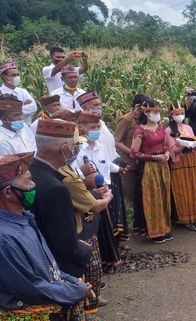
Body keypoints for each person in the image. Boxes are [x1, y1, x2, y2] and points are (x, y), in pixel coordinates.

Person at [0, 151, 92, 320]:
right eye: (28, 182)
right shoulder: (4, 237)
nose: (34, 185)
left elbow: (47, 266)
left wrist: (71, 280)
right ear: (8, 193)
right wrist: (76, 290)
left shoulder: (25, 218)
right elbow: (31, 288)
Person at [29, 118, 92, 278]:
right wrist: (85, 250)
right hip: (58, 268)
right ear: (64, 149)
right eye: (73, 146)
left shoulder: (29, 172)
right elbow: (66, 244)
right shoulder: (55, 189)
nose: (74, 151)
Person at [74, 111, 123, 274]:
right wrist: (85, 174)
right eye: (92, 127)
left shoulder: (101, 147)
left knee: (107, 226)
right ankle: (99, 263)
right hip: (88, 194)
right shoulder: (79, 150)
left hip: (104, 191)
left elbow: (106, 166)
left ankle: (109, 260)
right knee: (95, 229)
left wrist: (108, 187)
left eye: (98, 127)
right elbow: (74, 175)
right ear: (82, 128)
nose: (96, 130)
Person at [130, 100, 173, 244]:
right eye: (155, 112)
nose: (158, 114)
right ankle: (154, 231)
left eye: (158, 112)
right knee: (152, 198)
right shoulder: (140, 131)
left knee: (163, 196)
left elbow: (165, 144)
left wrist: (166, 153)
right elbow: (134, 153)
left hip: (162, 166)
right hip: (149, 168)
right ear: (147, 113)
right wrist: (154, 157)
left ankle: (164, 228)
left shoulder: (160, 127)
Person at [166, 103, 196, 231]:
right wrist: (185, 145)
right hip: (180, 162)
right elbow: (172, 150)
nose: (180, 116)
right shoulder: (169, 130)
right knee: (182, 189)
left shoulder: (188, 127)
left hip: (192, 160)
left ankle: (195, 217)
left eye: (181, 113)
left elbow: (195, 142)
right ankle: (185, 220)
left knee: (194, 188)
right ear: (171, 115)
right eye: (177, 114)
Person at [115, 93, 148, 204]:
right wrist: (133, 153)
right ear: (138, 107)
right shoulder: (126, 120)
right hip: (130, 162)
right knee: (131, 194)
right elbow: (117, 142)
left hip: (144, 161)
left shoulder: (145, 120)